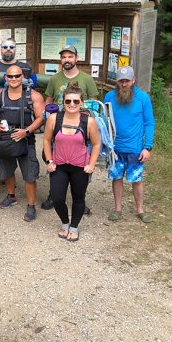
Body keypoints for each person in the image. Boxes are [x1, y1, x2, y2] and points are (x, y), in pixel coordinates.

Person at [42, 45, 100, 213]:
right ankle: (54, 194)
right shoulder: (54, 79)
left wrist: (88, 122)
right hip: (58, 126)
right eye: (64, 57)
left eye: (70, 56)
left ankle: (80, 198)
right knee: (52, 158)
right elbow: (49, 99)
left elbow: (94, 104)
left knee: (82, 163)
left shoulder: (87, 79)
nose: (67, 60)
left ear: (76, 58)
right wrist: (47, 118)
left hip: (80, 128)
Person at [0, 65, 45, 221]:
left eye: (17, 76)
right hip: (5, 139)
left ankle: (31, 206)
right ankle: (11, 196)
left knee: (29, 174)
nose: (13, 79)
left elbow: (40, 118)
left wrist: (26, 131)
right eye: (10, 76)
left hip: (25, 139)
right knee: (7, 171)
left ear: (22, 77)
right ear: (5, 78)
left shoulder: (33, 96)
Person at [42, 84, 101, 241]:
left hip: (80, 167)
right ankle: (65, 223)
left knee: (78, 198)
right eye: (68, 101)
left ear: (81, 102)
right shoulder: (55, 118)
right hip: (59, 165)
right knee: (57, 198)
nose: (72, 105)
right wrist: (49, 160)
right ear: (63, 101)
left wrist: (92, 164)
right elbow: (47, 140)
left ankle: (74, 226)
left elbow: (96, 144)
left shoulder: (88, 121)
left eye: (76, 101)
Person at [104, 66, 155, 224]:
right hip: (115, 148)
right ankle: (118, 208)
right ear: (117, 82)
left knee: (136, 179)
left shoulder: (143, 98)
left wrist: (147, 147)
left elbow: (149, 123)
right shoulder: (109, 97)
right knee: (116, 177)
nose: (124, 84)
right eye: (121, 81)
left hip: (135, 148)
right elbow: (103, 121)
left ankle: (140, 209)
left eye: (127, 81)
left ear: (133, 81)